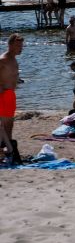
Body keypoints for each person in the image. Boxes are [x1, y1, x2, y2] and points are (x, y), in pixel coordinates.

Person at [0, 34, 23, 165]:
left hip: (10, 94)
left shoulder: (14, 59)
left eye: (21, 46)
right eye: (18, 45)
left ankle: (8, 150)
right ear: (10, 45)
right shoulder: (3, 59)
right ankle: (8, 151)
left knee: (9, 125)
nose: (21, 48)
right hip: (4, 95)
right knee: (5, 125)